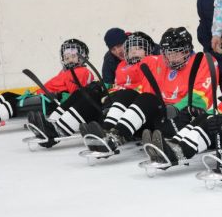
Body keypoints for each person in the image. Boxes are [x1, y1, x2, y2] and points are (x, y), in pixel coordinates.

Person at [80, 27, 213, 153]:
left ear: (186, 50)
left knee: (146, 98)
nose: (170, 57)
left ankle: (115, 137)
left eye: (174, 52)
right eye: (167, 52)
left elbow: (201, 97)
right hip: (158, 118)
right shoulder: (160, 61)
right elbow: (141, 85)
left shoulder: (202, 61)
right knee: (130, 94)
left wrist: (177, 107)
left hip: (179, 117)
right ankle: (111, 133)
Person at [29, 33, 154, 145]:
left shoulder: (150, 62)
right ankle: (54, 126)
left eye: (138, 49)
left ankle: (107, 131)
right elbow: (113, 83)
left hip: (130, 103)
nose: (133, 52)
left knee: (125, 94)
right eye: (131, 49)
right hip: (113, 99)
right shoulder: (121, 64)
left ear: (148, 51)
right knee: (85, 92)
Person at [0, 39, 95, 128]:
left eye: (73, 56)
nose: (69, 60)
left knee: (13, 104)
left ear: (82, 57)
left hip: (50, 101)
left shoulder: (82, 72)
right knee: (8, 95)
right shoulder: (65, 72)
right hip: (42, 97)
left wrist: (64, 98)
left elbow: (75, 95)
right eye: (66, 57)